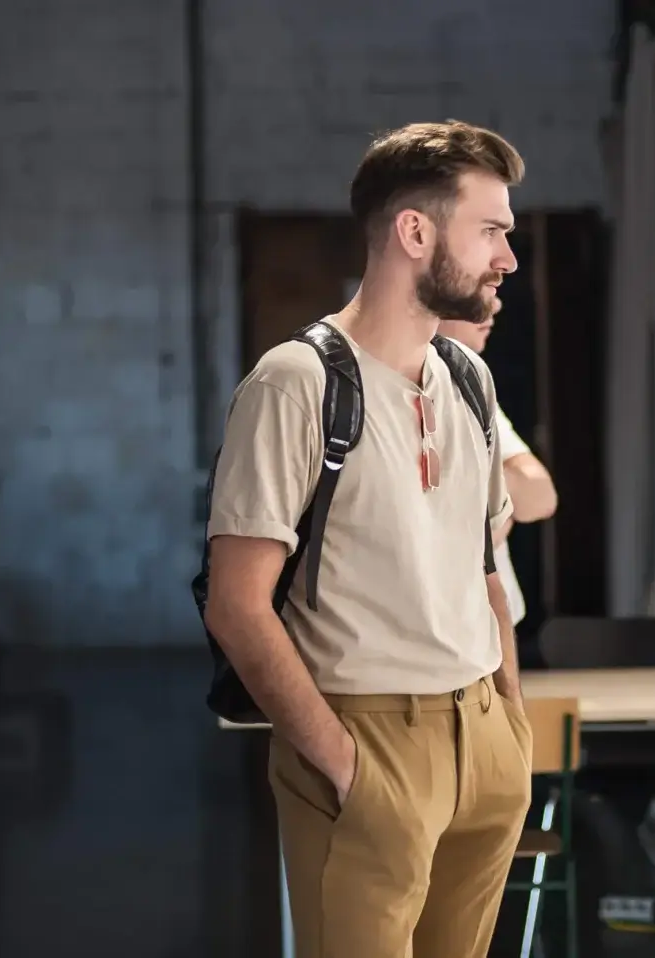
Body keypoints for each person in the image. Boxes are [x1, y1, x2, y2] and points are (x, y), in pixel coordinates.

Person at [202, 120, 533, 958]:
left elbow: (487, 566)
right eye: (491, 230)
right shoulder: (295, 383)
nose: (508, 258)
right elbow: (238, 608)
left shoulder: (470, 377)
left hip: (482, 736)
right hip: (365, 740)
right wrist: (343, 765)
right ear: (414, 232)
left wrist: (511, 732)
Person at [438, 297, 558, 634]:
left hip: (492, 629)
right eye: (479, 289)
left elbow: (541, 495)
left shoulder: (469, 387)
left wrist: (486, 489)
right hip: (444, 634)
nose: (497, 305)